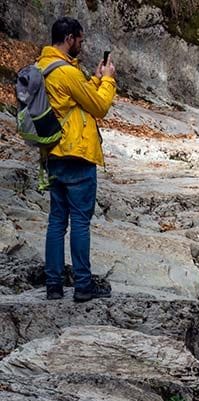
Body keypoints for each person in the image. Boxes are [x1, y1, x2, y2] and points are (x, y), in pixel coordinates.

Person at [38, 17, 116, 302]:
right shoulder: (67, 72)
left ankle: (53, 285)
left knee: (57, 220)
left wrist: (94, 79)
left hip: (52, 154)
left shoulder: (43, 66)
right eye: (80, 41)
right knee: (81, 221)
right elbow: (99, 106)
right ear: (69, 38)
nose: (81, 46)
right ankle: (83, 284)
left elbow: (74, 100)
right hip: (77, 154)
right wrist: (107, 81)